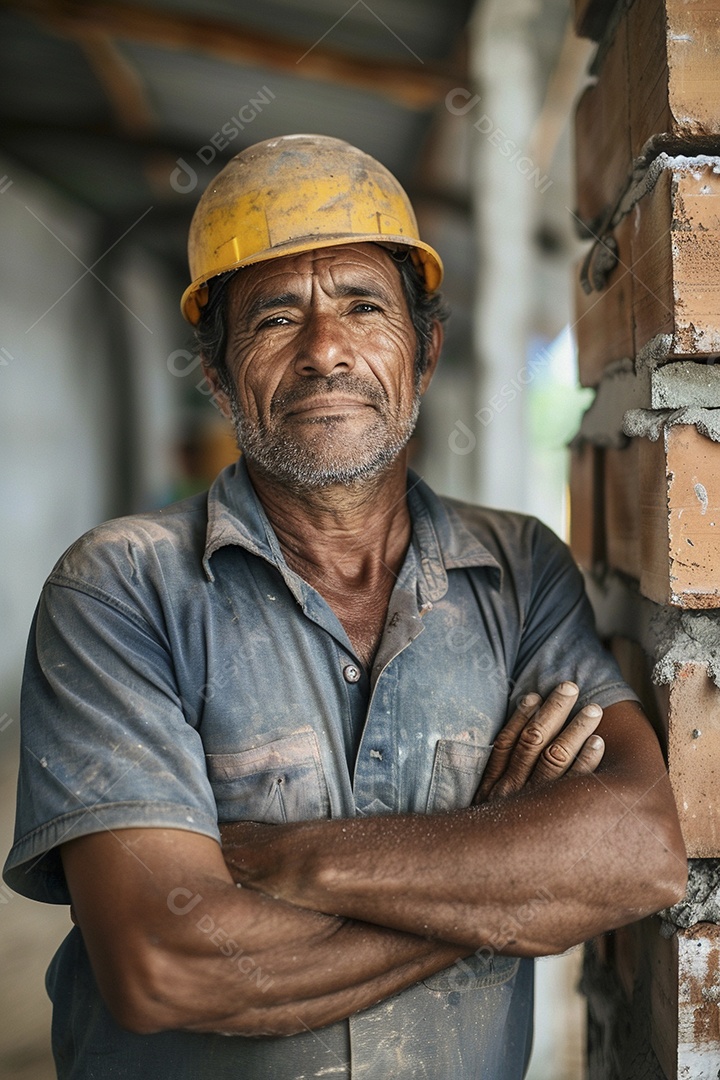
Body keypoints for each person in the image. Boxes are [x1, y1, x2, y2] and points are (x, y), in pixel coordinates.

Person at [4, 134, 686, 1079]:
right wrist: (508, 892)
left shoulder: (522, 566)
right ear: (215, 371)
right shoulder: (119, 590)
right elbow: (166, 966)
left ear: (427, 348)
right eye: (277, 319)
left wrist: (295, 858)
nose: (327, 351)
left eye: (364, 306)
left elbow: (640, 850)